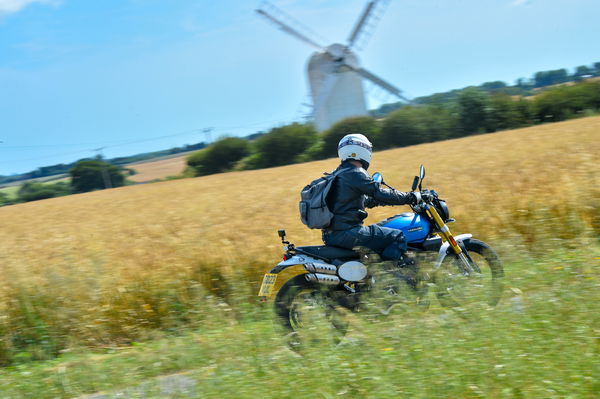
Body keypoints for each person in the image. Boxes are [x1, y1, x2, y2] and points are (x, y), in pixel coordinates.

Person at [322, 133, 420, 263]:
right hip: (348, 233)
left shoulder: (337, 174)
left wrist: (376, 201)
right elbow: (379, 192)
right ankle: (388, 276)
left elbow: (354, 201)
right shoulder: (355, 173)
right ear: (363, 150)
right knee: (398, 236)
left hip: (332, 235)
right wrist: (411, 197)